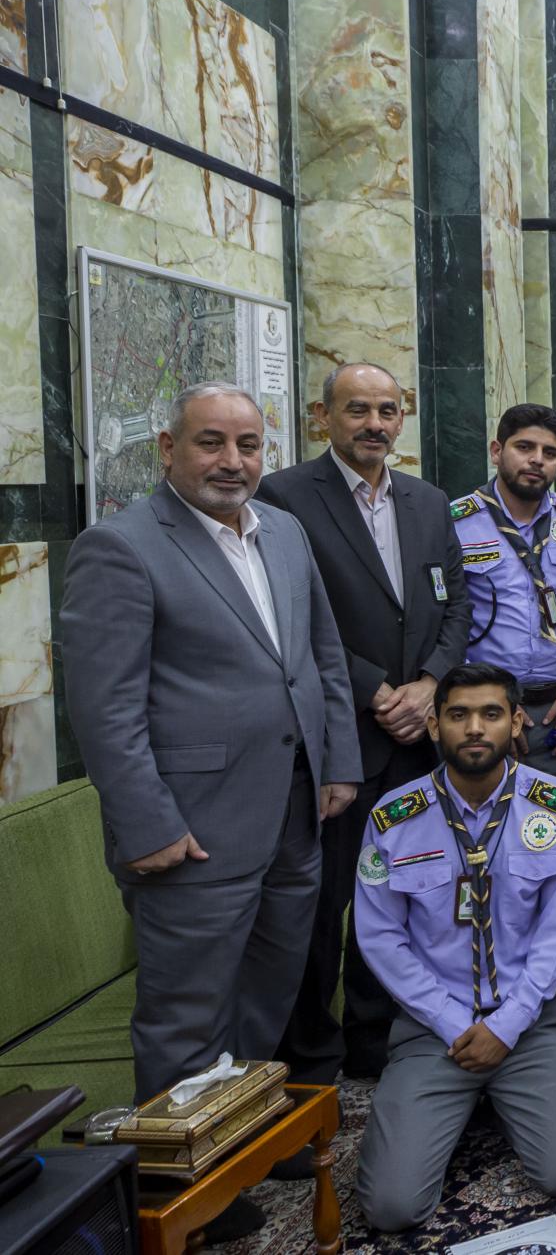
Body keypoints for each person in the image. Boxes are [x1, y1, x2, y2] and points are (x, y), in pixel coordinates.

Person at [61, 383, 360, 1243]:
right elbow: (105, 711)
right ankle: (185, 1192)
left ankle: (243, 1135)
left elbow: (320, 656)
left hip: (294, 813)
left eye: (248, 445)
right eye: (211, 443)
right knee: (188, 1015)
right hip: (192, 830)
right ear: (168, 448)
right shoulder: (120, 547)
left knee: (267, 995)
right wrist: (148, 823)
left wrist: (337, 761)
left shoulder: (284, 532)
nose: (232, 461)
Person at [258, 360, 469, 1083]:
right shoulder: (284, 496)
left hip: (418, 739)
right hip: (337, 739)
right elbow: (287, 615)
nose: (374, 424)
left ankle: (375, 1036)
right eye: (358, 410)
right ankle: (310, 1051)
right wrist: (376, 690)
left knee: (405, 889)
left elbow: (456, 604)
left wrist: (430, 684)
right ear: (324, 417)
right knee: (325, 901)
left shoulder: (428, 501)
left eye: (387, 410)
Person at [352, 664, 556, 1232]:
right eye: (459, 715)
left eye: (491, 714)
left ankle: (494, 1098)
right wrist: (451, 1021)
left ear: (518, 722)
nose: (476, 728)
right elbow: (381, 937)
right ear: (434, 725)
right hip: (435, 1031)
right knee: (391, 1209)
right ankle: (461, 1100)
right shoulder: (394, 818)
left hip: (528, 1026)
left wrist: (507, 1026)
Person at [454, 404, 556, 787]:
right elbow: (444, 620)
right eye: (524, 447)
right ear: (496, 450)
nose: (536, 460)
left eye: (549, 453)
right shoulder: (455, 524)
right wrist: (486, 703)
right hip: (484, 712)